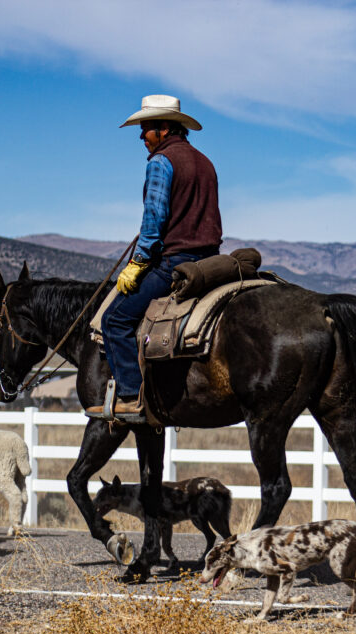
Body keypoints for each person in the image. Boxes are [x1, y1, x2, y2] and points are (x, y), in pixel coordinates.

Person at [86, 95, 222, 419]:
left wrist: (136, 265)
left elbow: (154, 222)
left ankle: (132, 396)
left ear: (163, 128)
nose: (141, 136)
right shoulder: (205, 161)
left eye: (146, 128)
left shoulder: (161, 162)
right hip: (211, 260)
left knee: (114, 320)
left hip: (176, 262)